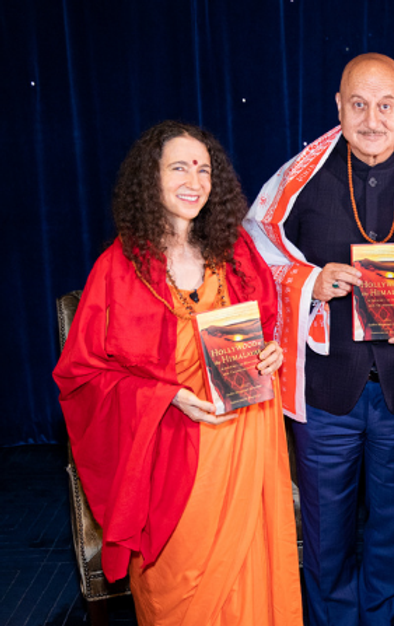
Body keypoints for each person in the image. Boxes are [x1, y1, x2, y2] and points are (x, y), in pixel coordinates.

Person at [243, 53, 394, 626]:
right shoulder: (297, 179)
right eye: (358, 104)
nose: (372, 120)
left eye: (385, 105)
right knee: (326, 537)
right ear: (338, 106)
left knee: (392, 533)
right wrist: (311, 281)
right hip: (326, 391)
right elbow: (254, 253)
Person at [53, 121, 302, 625]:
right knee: (180, 589)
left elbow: (265, 329)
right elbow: (81, 377)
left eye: (204, 169)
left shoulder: (237, 253)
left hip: (244, 439)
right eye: (180, 168)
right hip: (167, 454)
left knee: (250, 580)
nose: (194, 180)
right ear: (152, 177)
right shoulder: (117, 268)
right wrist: (165, 397)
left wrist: (272, 352)